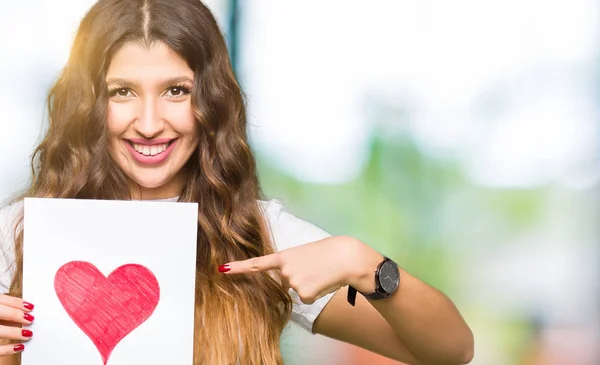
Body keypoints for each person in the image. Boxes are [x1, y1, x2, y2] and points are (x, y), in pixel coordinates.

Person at [0, 0, 474, 364]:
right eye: (121, 92)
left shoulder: (254, 234)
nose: (148, 122)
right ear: (88, 104)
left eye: (175, 91)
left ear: (211, 100)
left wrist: (365, 264)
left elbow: (450, 350)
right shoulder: (19, 234)